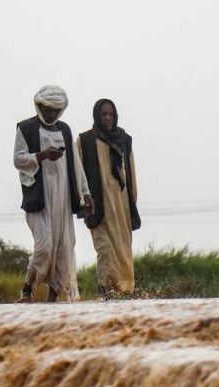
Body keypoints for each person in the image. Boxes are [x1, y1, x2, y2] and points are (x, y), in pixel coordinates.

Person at [13, 85, 94, 303]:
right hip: (39, 199)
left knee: (64, 249)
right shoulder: (27, 128)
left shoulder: (64, 130)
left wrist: (86, 193)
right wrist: (42, 155)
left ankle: (53, 302)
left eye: (56, 110)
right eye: (48, 109)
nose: (51, 114)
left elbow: (76, 165)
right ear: (39, 106)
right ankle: (27, 288)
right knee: (45, 247)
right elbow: (18, 160)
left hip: (63, 199)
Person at [77, 98, 141, 296]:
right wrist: (83, 201)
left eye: (111, 114)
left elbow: (130, 175)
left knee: (123, 253)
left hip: (121, 207)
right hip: (98, 207)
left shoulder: (124, 139)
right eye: (104, 114)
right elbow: (78, 175)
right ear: (97, 115)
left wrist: (132, 205)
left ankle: (125, 295)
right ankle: (106, 293)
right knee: (105, 251)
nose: (107, 118)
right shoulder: (85, 141)